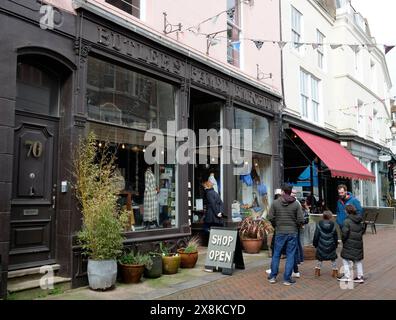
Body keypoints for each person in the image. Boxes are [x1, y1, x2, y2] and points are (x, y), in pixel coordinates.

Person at [267, 184, 304, 286]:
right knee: (290, 255)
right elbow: (301, 220)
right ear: (290, 191)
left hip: (279, 232)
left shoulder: (275, 203)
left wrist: (276, 225)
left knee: (276, 254)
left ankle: (273, 277)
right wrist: (295, 225)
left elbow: (270, 217)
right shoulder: (296, 204)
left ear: (283, 192)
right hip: (292, 232)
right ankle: (287, 279)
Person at [338, 204, 365, 283]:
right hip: (358, 243)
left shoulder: (347, 221)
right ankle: (360, 276)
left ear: (347, 211)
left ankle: (347, 276)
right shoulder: (359, 220)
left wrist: (343, 240)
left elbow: (344, 234)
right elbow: (362, 230)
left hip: (348, 243)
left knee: (345, 259)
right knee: (358, 260)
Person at [312, 211, 338, 277]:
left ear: (323, 216)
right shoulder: (333, 225)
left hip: (321, 245)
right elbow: (335, 236)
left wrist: (315, 244)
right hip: (331, 245)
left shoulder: (319, 224)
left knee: (320, 258)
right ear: (330, 216)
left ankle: (317, 271)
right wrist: (336, 244)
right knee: (333, 258)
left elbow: (316, 235)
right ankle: (335, 272)